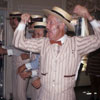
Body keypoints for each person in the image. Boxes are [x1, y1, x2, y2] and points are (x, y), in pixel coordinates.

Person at [12, 5, 100, 100]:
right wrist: (22, 22)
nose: (47, 26)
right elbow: (18, 42)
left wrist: (89, 16)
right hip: (44, 97)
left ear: (62, 25)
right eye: (47, 23)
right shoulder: (43, 43)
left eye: (50, 23)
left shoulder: (76, 43)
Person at [17, 21, 47, 100]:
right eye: (35, 34)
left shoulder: (49, 48)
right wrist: (29, 73)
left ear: (47, 35)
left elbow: (40, 64)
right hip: (36, 75)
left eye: (39, 34)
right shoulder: (40, 44)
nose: (36, 37)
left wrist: (25, 66)